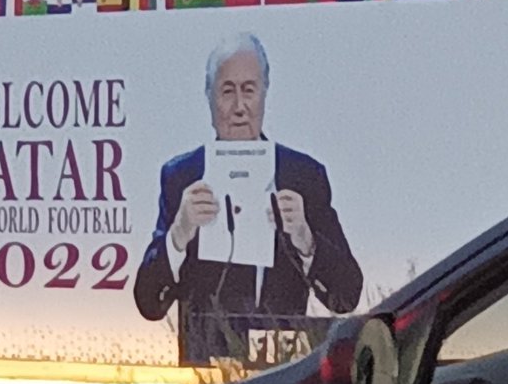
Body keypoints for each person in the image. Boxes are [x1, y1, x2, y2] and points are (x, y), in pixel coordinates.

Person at [133, 32, 363, 364]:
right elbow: (149, 303)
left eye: (249, 91)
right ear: (209, 98)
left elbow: (347, 296)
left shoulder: (303, 175)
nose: (239, 107)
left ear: (265, 94)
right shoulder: (182, 176)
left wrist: (305, 239)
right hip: (206, 370)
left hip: (282, 370)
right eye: (228, 92)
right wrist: (178, 235)